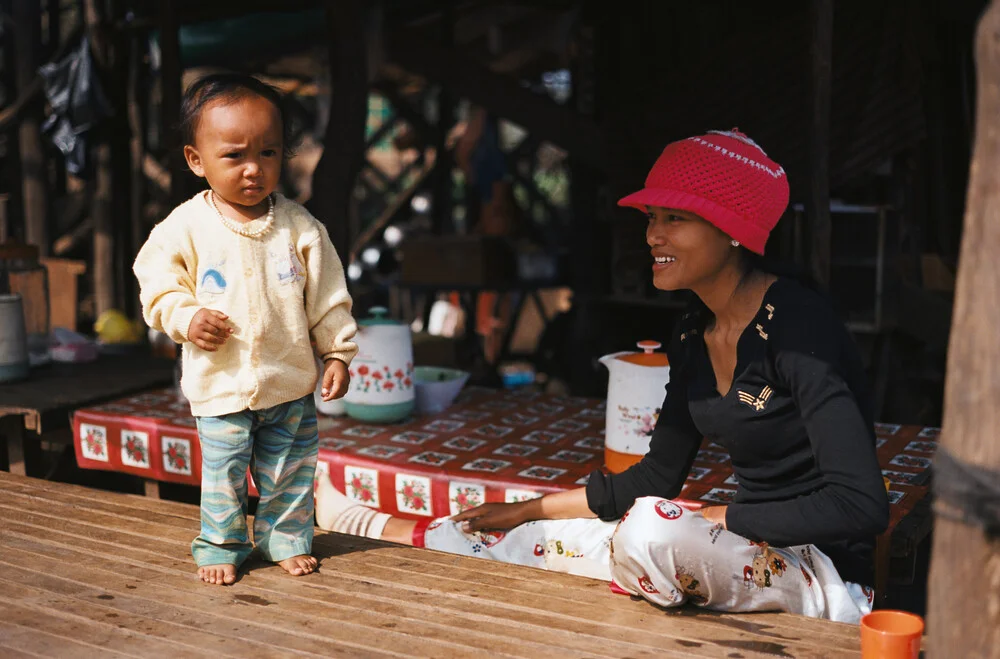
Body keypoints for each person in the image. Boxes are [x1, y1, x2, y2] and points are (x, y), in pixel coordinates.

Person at [315, 129, 889, 623]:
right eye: (651, 219)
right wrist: (526, 509)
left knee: (652, 533)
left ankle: (639, 571)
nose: (652, 236)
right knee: (558, 532)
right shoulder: (693, 331)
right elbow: (655, 479)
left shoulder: (799, 326)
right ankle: (385, 528)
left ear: (731, 227)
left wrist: (719, 515)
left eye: (674, 219)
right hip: (736, 548)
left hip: (819, 575)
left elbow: (860, 505)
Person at [134, 73, 358, 586]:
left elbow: (328, 301)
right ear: (196, 160)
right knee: (224, 476)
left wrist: (339, 353)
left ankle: (285, 539)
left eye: (270, 153)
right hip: (221, 387)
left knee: (291, 473)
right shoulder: (183, 228)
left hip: (291, 384)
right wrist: (186, 317)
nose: (254, 169)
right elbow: (156, 285)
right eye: (234, 155)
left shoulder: (302, 229)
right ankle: (222, 543)